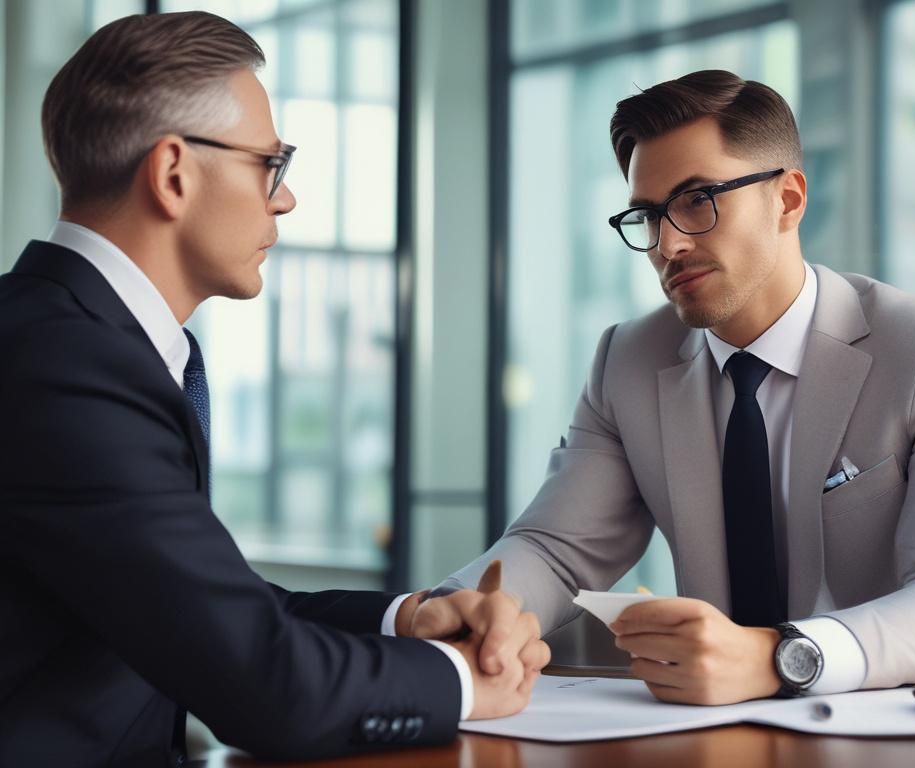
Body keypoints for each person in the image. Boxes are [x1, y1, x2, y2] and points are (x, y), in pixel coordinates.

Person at [0, 12, 547, 767]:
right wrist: (462, 679)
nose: (283, 200)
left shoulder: (76, 339)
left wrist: (409, 619)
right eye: (271, 165)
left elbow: (202, 607)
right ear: (174, 173)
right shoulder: (64, 363)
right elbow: (261, 682)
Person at [440, 69, 915, 705]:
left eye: (697, 201)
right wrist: (458, 615)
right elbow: (554, 550)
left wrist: (781, 656)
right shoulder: (626, 360)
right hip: (708, 731)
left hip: (892, 727)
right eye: (648, 215)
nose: (668, 244)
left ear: (789, 200)